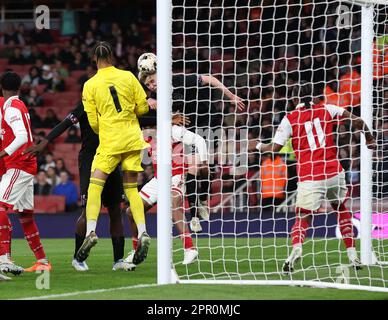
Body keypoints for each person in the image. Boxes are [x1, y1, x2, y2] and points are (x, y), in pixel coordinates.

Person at [248, 81, 376, 274]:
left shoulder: (290, 118)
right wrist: (369, 138)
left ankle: (297, 248)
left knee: (303, 217)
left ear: (293, 99)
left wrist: (257, 145)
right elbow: (357, 121)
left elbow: (274, 149)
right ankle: (352, 255)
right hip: (334, 171)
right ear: (315, 96)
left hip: (310, 176)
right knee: (340, 209)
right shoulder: (328, 109)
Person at [24, 100, 134, 272]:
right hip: (90, 160)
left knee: (115, 209)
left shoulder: (113, 104)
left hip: (112, 157)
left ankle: (118, 260)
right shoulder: (86, 105)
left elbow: (136, 118)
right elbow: (65, 123)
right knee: (88, 209)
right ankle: (78, 258)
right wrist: (45, 141)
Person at [138, 60, 245, 232]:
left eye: (152, 81)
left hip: (209, 122)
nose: (151, 85)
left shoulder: (181, 80)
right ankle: (195, 216)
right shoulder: (157, 97)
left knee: (206, 167)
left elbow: (210, 79)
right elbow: (149, 117)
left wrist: (231, 96)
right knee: (193, 167)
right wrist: (150, 102)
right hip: (190, 128)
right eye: (148, 84)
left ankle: (203, 199)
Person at [76, 41, 151, 265]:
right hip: (132, 139)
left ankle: (90, 231)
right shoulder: (128, 77)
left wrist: (107, 125)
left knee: (94, 186)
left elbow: (93, 123)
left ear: (94, 59)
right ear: (112, 56)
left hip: (110, 141)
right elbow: (144, 107)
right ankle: (144, 232)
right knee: (131, 190)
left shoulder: (90, 85)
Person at [126, 124, 208, 267]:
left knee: (173, 203)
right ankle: (136, 251)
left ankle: (190, 249)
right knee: (131, 211)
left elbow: (200, 140)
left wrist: (204, 162)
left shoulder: (173, 130)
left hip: (176, 177)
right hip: (158, 180)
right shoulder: (144, 136)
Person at [0, 71, 50, 272]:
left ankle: (4, 258)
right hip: (24, 165)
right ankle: (43, 262)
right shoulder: (15, 105)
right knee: (25, 216)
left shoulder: (11, 107)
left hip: (18, 164)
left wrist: (3, 153)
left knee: (0, 207)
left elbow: (21, 136)